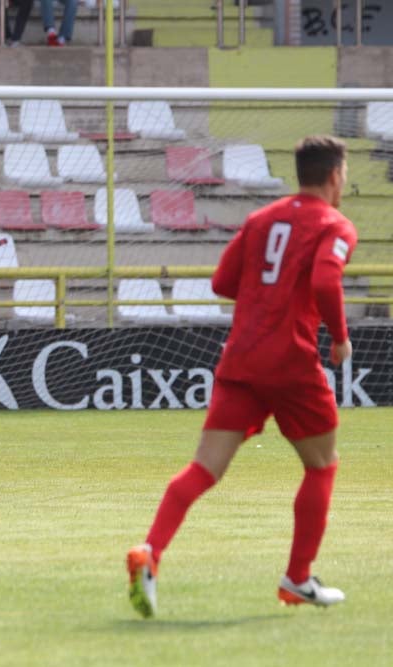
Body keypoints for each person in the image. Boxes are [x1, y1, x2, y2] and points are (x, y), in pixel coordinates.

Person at [125, 135, 358, 618]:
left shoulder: (260, 219)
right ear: (335, 176)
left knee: (204, 468)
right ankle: (297, 578)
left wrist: (263, 298)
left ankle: (150, 552)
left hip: (242, 358)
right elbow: (324, 279)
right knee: (322, 465)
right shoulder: (335, 224)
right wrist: (338, 336)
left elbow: (221, 282)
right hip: (291, 360)